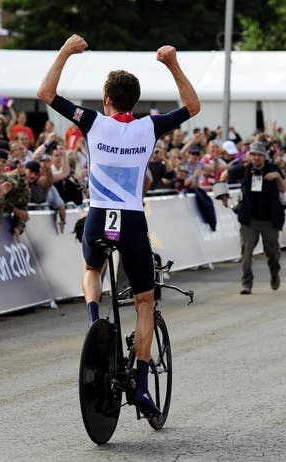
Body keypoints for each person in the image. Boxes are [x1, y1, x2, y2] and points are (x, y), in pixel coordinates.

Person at [37, 34, 200, 418]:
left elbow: (45, 92)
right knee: (145, 301)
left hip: (98, 216)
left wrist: (65, 51)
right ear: (134, 102)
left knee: (92, 268)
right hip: (131, 220)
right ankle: (141, 384)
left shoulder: (92, 122)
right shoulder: (149, 127)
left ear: (107, 100)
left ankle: (96, 329)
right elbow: (193, 106)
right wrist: (173, 63)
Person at [217, 141, 286, 295]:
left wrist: (277, 177)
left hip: (270, 219)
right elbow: (224, 175)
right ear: (249, 155)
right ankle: (246, 283)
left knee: (273, 254)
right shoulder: (244, 169)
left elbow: (283, 188)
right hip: (249, 219)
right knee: (246, 253)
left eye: (259, 155)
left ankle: (274, 274)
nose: (256, 158)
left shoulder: (273, 169)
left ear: (264, 157)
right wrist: (222, 195)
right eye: (253, 154)